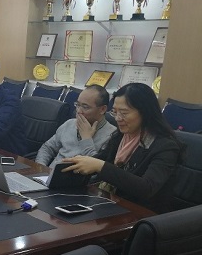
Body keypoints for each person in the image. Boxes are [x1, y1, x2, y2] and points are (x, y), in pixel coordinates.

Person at [63, 83, 183, 213]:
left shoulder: (165, 146)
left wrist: (100, 166)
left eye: (124, 113)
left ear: (145, 113)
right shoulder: (122, 136)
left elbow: (147, 188)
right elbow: (101, 159)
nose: (118, 118)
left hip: (143, 213)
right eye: (115, 112)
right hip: (112, 203)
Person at [35, 85, 116, 168]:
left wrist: (86, 139)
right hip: (50, 173)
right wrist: (41, 167)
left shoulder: (112, 136)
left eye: (85, 107)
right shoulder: (69, 123)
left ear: (102, 109)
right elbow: (48, 148)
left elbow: (98, 169)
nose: (78, 111)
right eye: (77, 105)